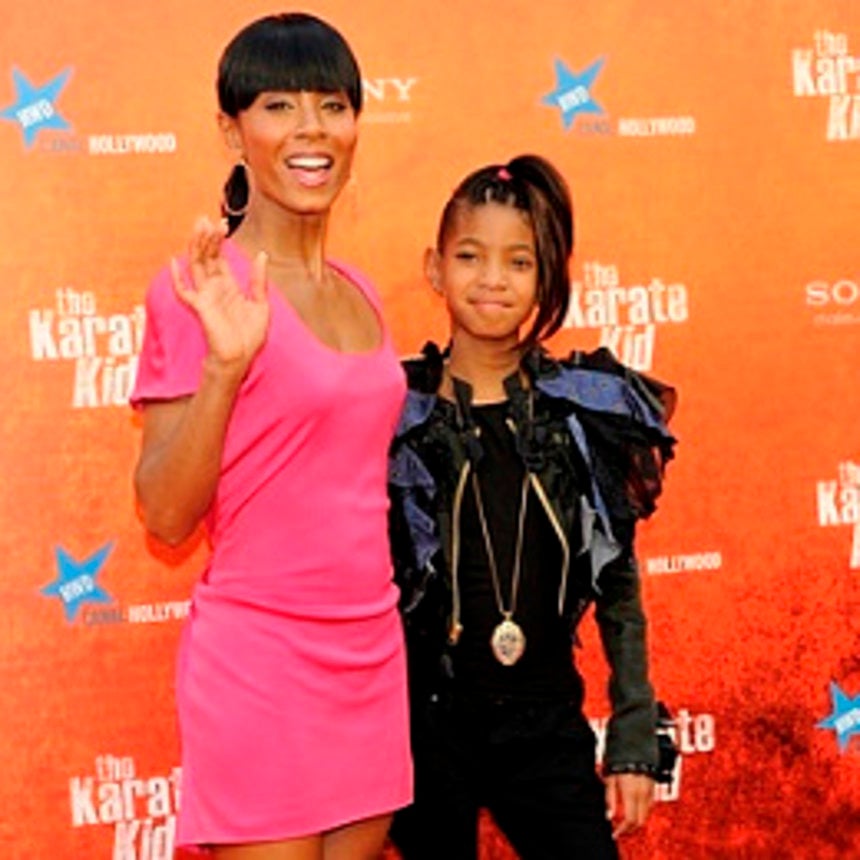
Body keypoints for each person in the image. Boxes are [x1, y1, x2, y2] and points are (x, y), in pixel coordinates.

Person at [130, 13, 411, 860]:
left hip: (370, 652)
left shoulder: (363, 290)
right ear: (232, 132)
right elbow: (165, 517)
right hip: (260, 658)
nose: (311, 129)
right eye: (279, 105)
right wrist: (225, 366)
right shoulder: (199, 287)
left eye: (332, 105)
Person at [387, 155, 676, 859]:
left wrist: (634, 738)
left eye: (519, 262)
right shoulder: (393, 415)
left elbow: (618, 588)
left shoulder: (584, 412)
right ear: (434, 269)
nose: (492, 279)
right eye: (469, 256)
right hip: (422, 726)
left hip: (546, 722)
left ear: (546, 278)